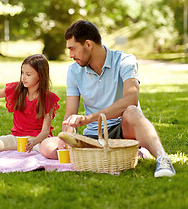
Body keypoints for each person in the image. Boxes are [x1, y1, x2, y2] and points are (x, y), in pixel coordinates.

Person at [40, 20, 176, 177]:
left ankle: (163, 158)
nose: (70, 55)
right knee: (47, 146)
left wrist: (88, 118)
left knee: (132, 111)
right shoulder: (74, 71)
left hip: (122, 130)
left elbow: (131, 98)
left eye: (73, 48)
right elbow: (71, 112)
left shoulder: (125, 61)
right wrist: (68, 135)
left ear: (89, 44)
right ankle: (131, 152)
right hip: (93, 137)